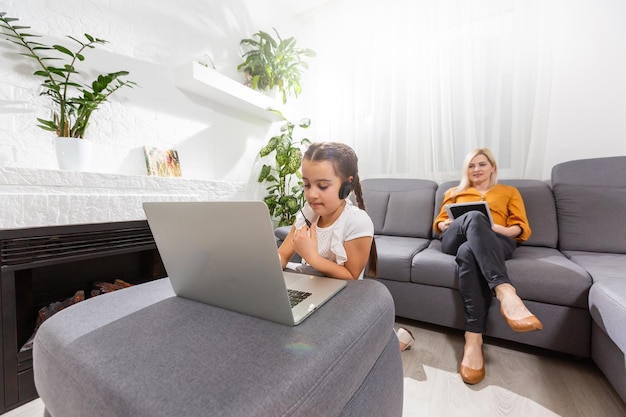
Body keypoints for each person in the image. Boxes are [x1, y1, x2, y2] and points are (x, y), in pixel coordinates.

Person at [278, 142, 415, 351]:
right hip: (310, 287)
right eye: (307, 185)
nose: (312, 194)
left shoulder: (356, 221)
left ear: (346, 185)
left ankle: (398, 338)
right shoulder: (308, 213)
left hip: (343, 293)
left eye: (322, 186)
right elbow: (282, 255)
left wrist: (313, 258)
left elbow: (352, 276)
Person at [433, 148, 542, 384]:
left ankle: (473, 339)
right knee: (473, 217)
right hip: (456, 236)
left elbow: (519, 228)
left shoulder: (509, 192)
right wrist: (449, 224)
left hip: (495, 241)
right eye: (471, 166)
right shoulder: (454, 192)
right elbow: (440, 223)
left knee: (469, 251)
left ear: (493, 167)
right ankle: (505, 291)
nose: (476, 170)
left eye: (481, 164)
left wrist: (495, 229)